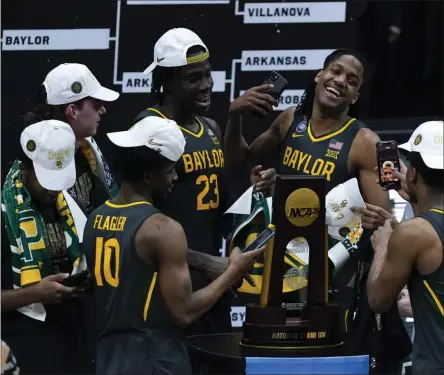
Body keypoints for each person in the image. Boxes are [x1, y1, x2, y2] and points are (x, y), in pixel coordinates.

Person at [82, 116, 265, 375]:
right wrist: (233, 272)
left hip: (109, 358)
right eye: (169, 171)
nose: (176, 177)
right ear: (147, 176)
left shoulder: (95, 218)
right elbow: (185, 312)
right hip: (155, 360)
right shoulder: (162, 229)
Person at [135, 27, 275, 335]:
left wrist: (254, 191)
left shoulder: (211, 127)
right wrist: (207, 263)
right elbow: (137, 228)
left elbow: (218, 210)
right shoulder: (149, 130)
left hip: (212, 285)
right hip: (167, 288)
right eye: (193, 78)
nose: (206, 85)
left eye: (207, 75)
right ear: (168, 82)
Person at [1, 120, 90, 374]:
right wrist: (35, 293)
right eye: (45, 179)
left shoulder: (70, 208)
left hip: (71, 341)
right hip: (22, 347)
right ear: (23, 169)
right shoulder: (5, 215)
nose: (54, 188)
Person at [367, 120, 444, 375]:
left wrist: (383, 247)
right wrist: (415, 199)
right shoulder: (422, 231)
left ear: (411, 174)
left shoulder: (412, 233)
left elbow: (378, 300)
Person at [23, 63, 120, 214]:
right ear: (73, 111)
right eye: (97, 104)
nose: (103, 110)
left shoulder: (87, 151)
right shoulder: (38, 167)